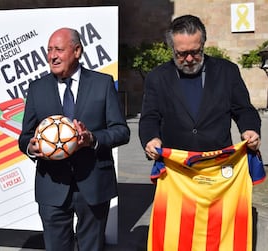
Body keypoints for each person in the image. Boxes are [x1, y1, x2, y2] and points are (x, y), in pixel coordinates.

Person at [18, 28, 130, 251]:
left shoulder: (103, 83)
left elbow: (121, 131)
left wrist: (92, 139)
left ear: (77, 51)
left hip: (93, 182)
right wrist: (31, 147)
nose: (52, 56)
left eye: (58, 49)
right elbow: (25, 136)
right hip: (51, 185)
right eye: (49, 50)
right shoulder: (37, 88)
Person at [139, 14, 261, 159]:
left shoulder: (227, 72)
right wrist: (152, 139)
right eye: (182, 54)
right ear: (172, 48)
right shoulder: (157, 77)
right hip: (175, 165)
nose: (189, 59)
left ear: (203, 45)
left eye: (195, 52)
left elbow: (244, 110)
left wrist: (250, 130)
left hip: (218, 163)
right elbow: (150, 117)